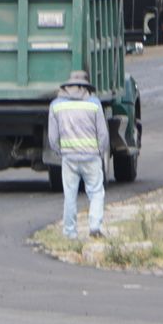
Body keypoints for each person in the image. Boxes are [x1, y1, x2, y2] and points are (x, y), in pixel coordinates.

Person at [47, 69, 110, 240]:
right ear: (86, 87)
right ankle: (95, 226)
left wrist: (60, 151)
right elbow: (103, 134)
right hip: (91, 157)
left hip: (69, 158)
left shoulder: (56, 105)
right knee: (96, 192)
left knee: (70, 195)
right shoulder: (94, 104)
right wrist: (100, 151)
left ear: (67, 86)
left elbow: (52, 137)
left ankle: (70, 232)